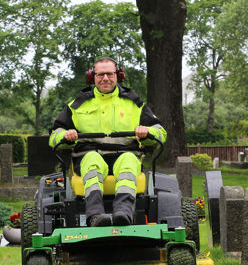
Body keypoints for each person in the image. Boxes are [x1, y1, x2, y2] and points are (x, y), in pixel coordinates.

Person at [49, 57, 167, 227]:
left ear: (118, 75)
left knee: (128, 162)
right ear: (92, 77)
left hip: (125, 154)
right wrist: (65, 136)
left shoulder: (134, 103)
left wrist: (148, 132)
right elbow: (54, 136)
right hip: (89, 155)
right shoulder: (77, 105)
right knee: (92, 161)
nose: (105, 78)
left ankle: (124, 214)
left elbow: (161, 132)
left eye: (110, 74)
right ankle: (95, 216)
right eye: (100, 74)